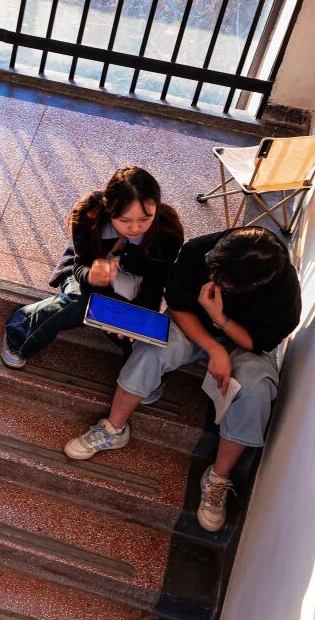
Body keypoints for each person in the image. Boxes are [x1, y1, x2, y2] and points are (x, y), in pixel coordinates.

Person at [64, 225, 302, 532]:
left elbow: (257, 342)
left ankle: (218, 477)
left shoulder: (284, 295)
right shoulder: (200, 250)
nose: (213, 278)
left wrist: (220, 318)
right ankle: (113, 428)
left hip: (242, 341)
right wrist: (214, 348)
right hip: (193, 325)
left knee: (257, 388)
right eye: (213, 270)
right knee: (152, 350)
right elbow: (178, 307)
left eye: (223, 282)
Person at [2, 167, 184, 368]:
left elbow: (155, 284)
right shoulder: (88, 213)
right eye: (124, 220)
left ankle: (140, 377)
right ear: (108, 207)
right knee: (82, 303)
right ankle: (19, 329)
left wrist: (133, 317)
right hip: (84, 274)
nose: (135, 228)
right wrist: (91, 276)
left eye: (145, 218)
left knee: (139, 342)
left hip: (133, 292)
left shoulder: (167, 231)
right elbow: (79, 265)